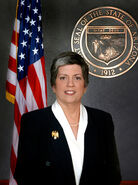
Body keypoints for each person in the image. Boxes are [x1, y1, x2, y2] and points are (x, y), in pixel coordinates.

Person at [14, 51, 122, 185]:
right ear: (53, 85)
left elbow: (113, 175)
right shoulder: (33, 121)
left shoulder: (102, 120)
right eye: (63, 78)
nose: (70, 84)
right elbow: (24, 176)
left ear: (85, 86)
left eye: (77, 78)